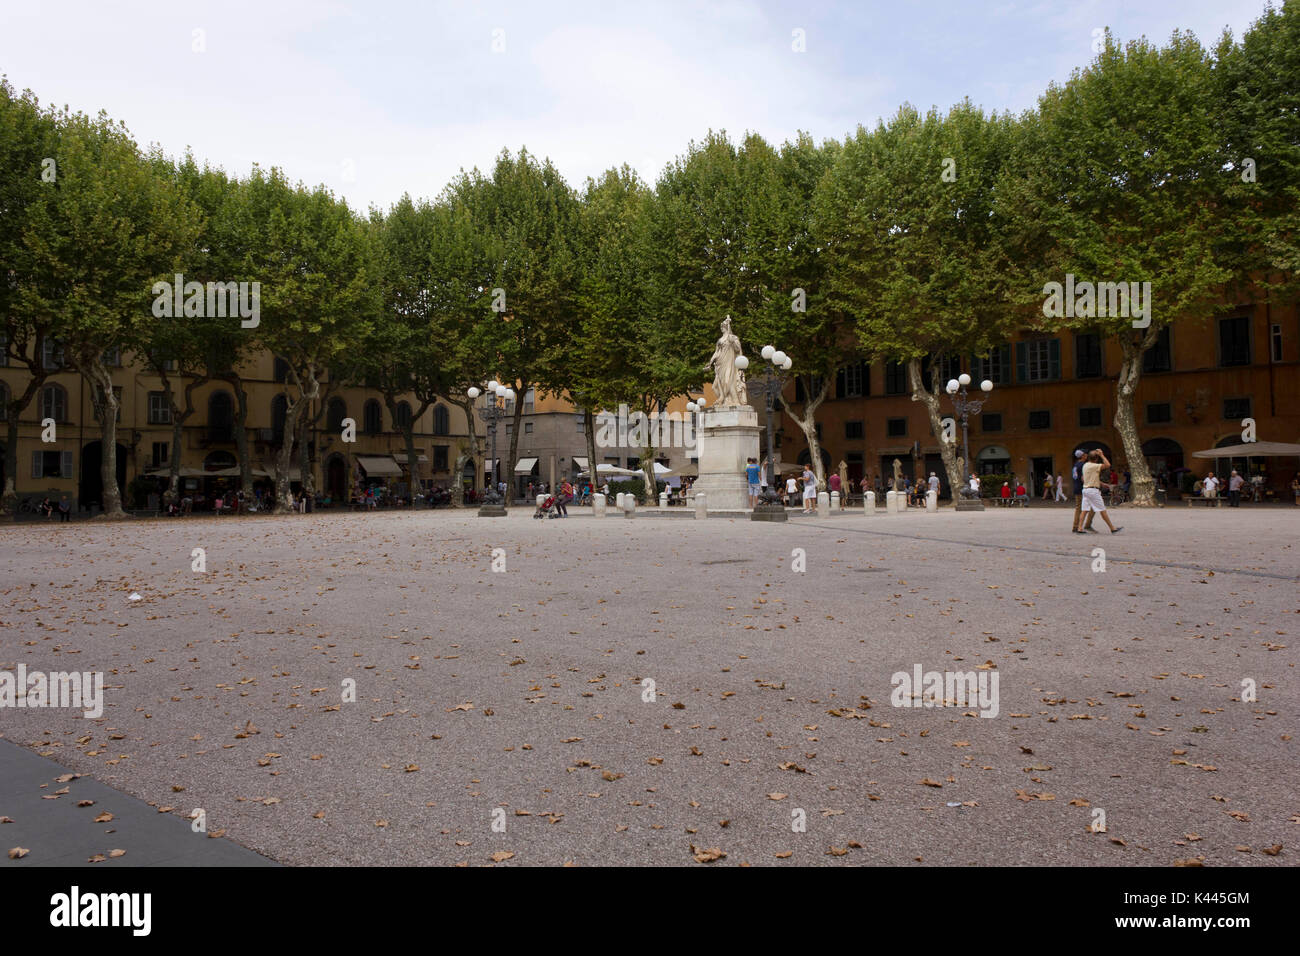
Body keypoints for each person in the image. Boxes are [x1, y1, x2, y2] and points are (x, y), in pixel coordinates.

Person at [1080, 450, 1122, 534]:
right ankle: (1112, 528)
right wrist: (1102, 455)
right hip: (1093, 491)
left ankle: (1079, 528)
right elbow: (1108, 465)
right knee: (1102, 510)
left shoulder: (1085, 465)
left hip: (1085, 489)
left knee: (1084, 510)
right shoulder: (1095, 466)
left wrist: (1102, 484)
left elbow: (1086, 479)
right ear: (1096, 459)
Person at [1070, 450, 1087, 533]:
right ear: (1083, 455)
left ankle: (1076, 526)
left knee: (1078, 508)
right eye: (1085, 454)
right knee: (1082, 508)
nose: (1086, 455)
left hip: (1076, 487)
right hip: (1082, 488)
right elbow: (1083, 478)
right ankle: (1079, 526)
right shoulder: (1083, 465)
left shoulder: (1075, 465)